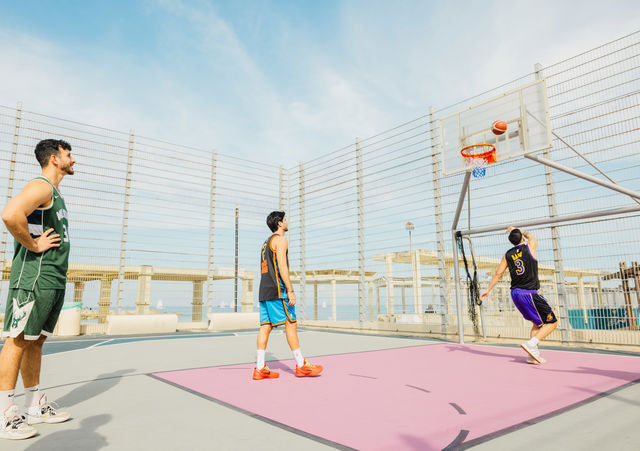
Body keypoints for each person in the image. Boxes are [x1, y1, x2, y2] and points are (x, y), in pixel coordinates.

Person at [0, 139, 74, 440]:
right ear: (54, 158)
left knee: (36, 341)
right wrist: (32, 245)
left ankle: (32, 405)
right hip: (33, 277)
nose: (73, 160)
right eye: (68, 154)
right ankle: (4, 413)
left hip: (52, 278)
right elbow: (10, 214)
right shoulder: (41, 186)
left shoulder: (54, 193)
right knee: (17, 340)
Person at [254, 211, 323, 380]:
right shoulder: (280, 240)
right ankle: (301, 365)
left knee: (265, 327)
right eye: (285, 219)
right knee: (291, 323)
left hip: (264, 290)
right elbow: (282, 266)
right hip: (278, 290)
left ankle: (260, 367)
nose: (287, 221)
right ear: (279, 223)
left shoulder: (266, 243)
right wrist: (290, 290)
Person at [480, 227, 558, 364]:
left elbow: (498, 274)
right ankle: (531, 344)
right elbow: (531, 237)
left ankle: (532, 355)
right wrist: (520, 230)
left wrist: (488, 290)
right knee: (552, 322)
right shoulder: (530, 246)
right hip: (529, 293)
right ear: (522, 238)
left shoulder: (507, 254)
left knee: (536, 323)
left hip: (515, 294)